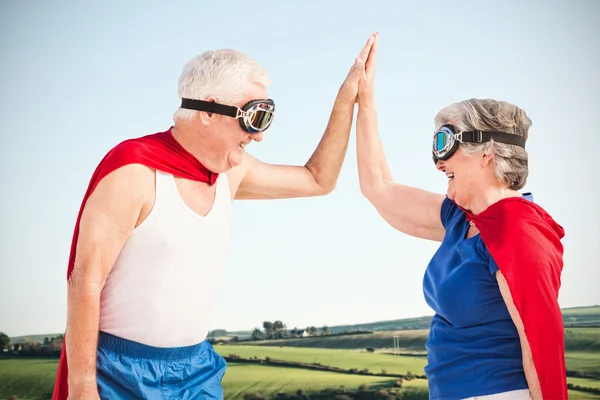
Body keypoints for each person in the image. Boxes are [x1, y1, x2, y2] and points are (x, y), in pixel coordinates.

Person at [52, 33, 377, 400]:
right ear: (209, 111)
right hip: (120, 374)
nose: (258, 137)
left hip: (195, 372)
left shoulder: (229, 173)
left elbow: (319, 180)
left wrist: (345, 99)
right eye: (254, 117)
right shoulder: (134, 172)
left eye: (266, 117)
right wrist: (81, 386)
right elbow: (84, 282)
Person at [355, 34, 567, 400]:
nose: (438, 162)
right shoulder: (462, 220)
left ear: (486, 152)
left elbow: (541, 342)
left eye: (445, 143)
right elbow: (380, 189)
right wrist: (365, 100)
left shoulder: (517, 228)